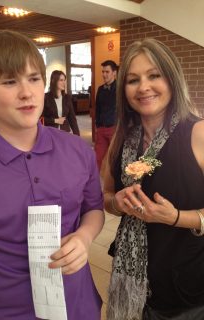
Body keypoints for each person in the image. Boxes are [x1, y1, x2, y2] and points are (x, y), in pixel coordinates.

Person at [0, 29, 104, 320]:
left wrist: (84, 237)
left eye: (34, 78)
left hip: (76, 304)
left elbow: (94, 209)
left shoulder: (78, 150)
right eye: (9, 81)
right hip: (4, 309)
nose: (26, 92)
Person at [103, 38, 204, 320]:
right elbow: (106, 196)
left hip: (188, 293)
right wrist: (117, 203)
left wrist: (175, 217)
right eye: (133, 80)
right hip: (136, 290)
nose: (144, 87)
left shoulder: (197, 133)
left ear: (171, 78)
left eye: (154, 75)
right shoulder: (121, 139)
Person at [95, 60, 118, 171]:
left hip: (114, 129)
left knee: (114, 159)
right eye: (103, 72)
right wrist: (97, 125)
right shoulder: (100, 89)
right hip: (101, 129)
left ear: (114, 73)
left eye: (107, 72)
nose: (104, 74)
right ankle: (93, 182)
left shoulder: (120, 89)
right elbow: (97, 108)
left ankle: (115, 185)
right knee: (97, 157)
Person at [42, 70, 80, 135]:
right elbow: (40, 119)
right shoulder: (46, 97)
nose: (64, 82)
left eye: (64, 80)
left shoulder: (67, 98)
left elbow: (72, 119)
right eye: (61, 80)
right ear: (54, 81)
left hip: (65, 132)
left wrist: (77, 136)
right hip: (50, 133)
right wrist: (55, 120)